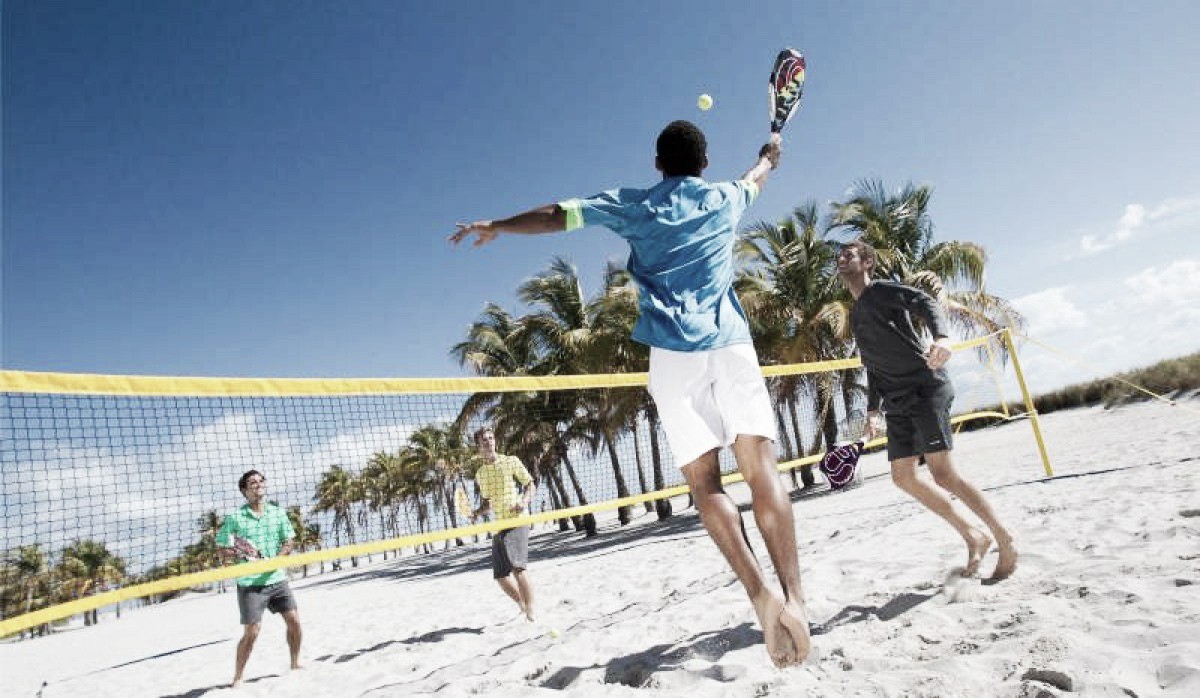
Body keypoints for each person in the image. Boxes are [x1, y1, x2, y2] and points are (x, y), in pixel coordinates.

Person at [450, 121, 810, 666]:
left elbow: (557, 216)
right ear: (704, 162)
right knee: (763, 470)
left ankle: (761, 596)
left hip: (672, 355)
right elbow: (757, 175)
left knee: (704, 484)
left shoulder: (635, 204)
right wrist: (770, 154)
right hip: (732, 346)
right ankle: (797, 600)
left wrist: (498, 225)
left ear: (657, 163)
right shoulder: (725, 198)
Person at [836, 239, 1018, 581]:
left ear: (868, 262)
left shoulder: (881, 291)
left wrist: (943, 337)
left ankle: (1005, 539)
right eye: (839, 257)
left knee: (943, 474)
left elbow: (924, 300)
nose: (842, 260)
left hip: (924, 388)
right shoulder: (857, 313)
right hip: (896, 402)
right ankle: (974, 536)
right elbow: (872, 365)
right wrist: (873, 409)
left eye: (849, 255)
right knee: (903, 477)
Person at [216, 470, 302, 687]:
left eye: (260, 481)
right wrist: (240, 553)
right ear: (245, 490)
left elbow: (289, 541)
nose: (258, 484)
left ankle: (294, 663)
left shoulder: (277, 513)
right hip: (250, 583)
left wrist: (276, 560)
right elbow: (222, 547)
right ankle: (237, 677)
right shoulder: (235, 518)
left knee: (295, 622)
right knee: (252, 632)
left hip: (276, 578)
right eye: (252, 482)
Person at [469, 427, 537, 621]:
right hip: (500, 524)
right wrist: (477, 513)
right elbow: (489, 502)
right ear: (478, 446)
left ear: (495, 441)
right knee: (500, 575)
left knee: (518, 568)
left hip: (518, 519)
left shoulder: (511, 461)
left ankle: (531, 611)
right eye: (484, 440)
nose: (488, 442)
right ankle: (522, 605)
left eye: (491, 438)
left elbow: (530, 484)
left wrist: (523, 502)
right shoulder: (481, 474)